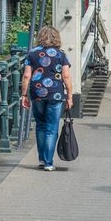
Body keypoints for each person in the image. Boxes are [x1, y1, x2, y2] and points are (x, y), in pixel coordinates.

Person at [21, 25, 73, 171]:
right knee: (52, 128)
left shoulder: (33, 53)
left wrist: (24, 95)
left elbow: (26, 76)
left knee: (41, 125)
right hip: (55, 93)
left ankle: (42, 159)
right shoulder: (61, 54)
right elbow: (66, 76)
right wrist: (69, 96)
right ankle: (49, 163)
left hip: (37, 93)